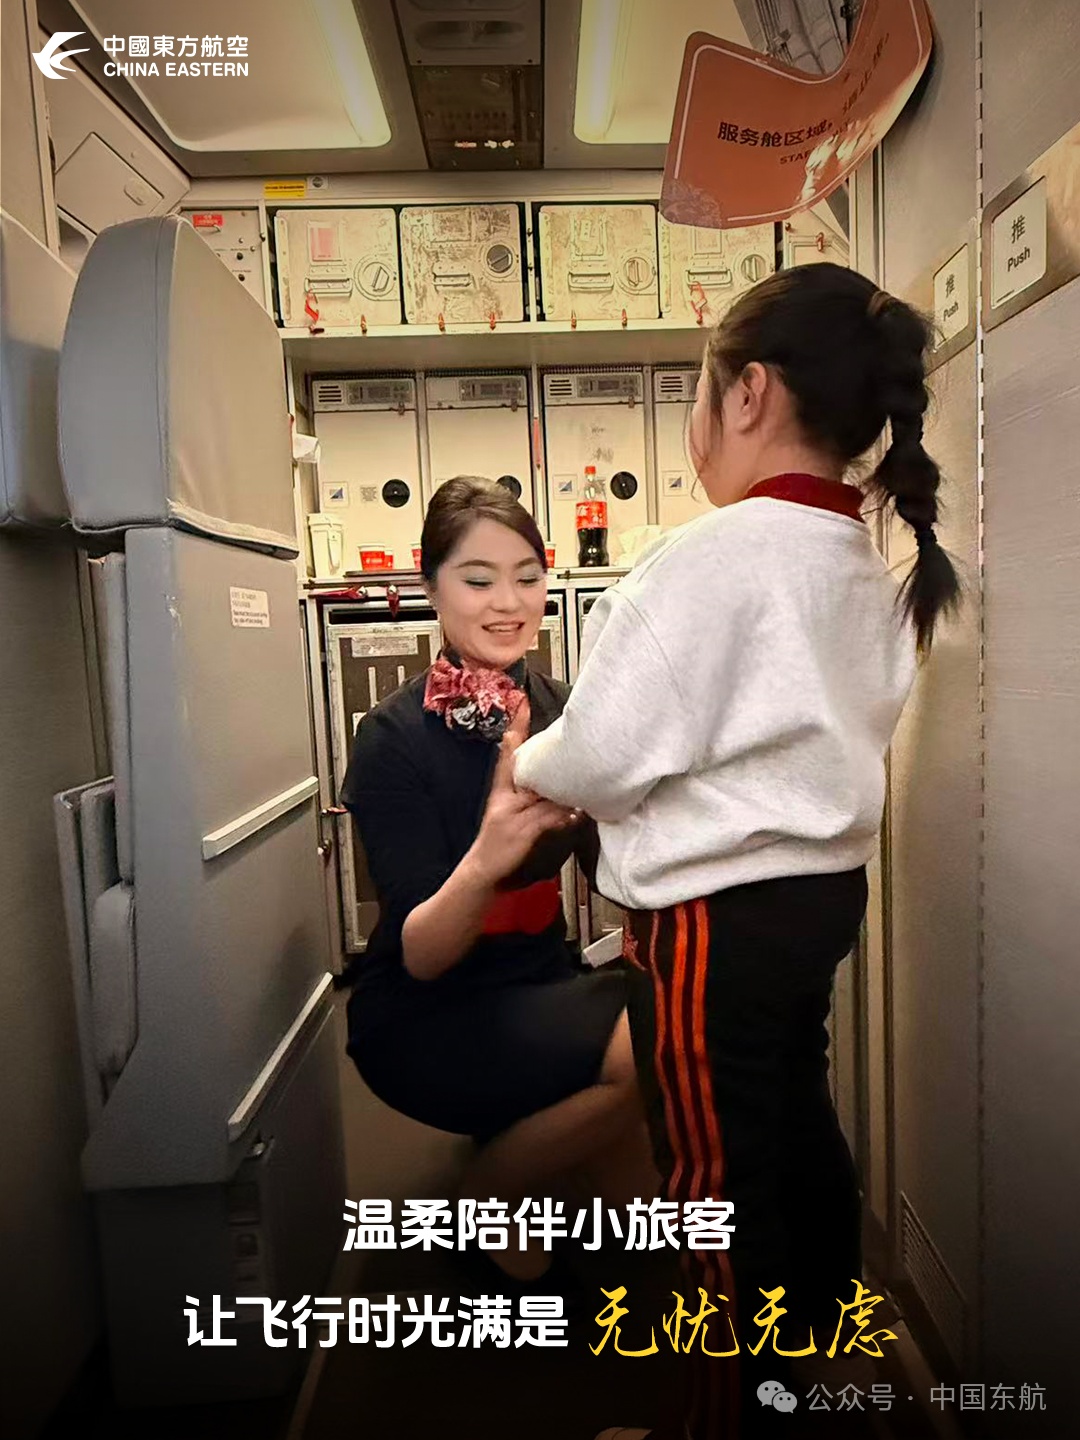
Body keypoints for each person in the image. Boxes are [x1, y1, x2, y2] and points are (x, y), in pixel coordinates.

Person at [512, 263, 961, 1435]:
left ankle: (731, 1418)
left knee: (712, 1184)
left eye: (702, 393)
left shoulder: (709, 559)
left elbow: (601, 757)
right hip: (816, 902)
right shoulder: (858, 560)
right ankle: (825, 1361)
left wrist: (526, 762)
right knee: (794, 1128)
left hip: (713, 922)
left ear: (750, 392)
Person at [339, 475, 653, 1282]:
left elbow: (611, 874)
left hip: (540, 979)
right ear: (430, 587)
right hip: (426, 1013)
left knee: (659, 1086)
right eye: (478, 580)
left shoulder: (561, 711)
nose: (509, 602)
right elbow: (421, 956)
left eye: (528, 576)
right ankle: (493, 1185)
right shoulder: (391, 739)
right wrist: (487, 854)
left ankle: (652, 1276)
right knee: (653, 1049)